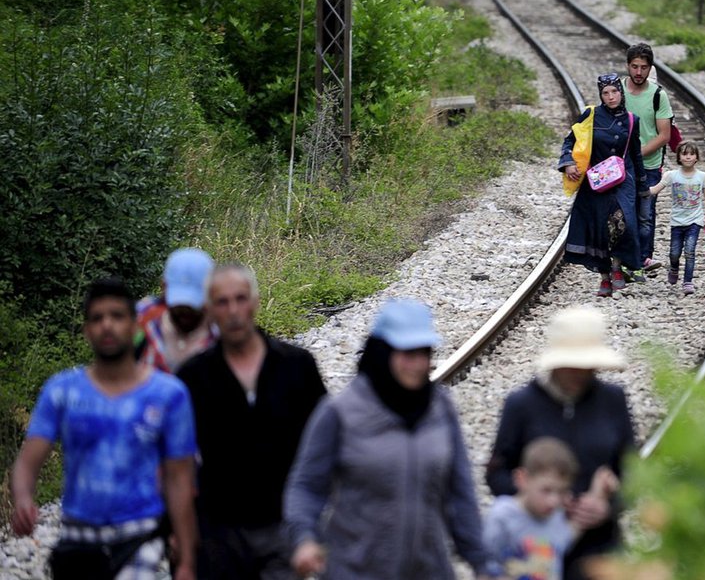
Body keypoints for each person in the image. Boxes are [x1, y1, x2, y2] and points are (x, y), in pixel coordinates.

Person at [284, 299, 490, 579]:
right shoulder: (340, 413)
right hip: (355, 571)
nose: (418, 364)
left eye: (424, 353)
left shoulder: (440, 409)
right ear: (382, 352)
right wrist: (305, 538)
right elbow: (307, 487)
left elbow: (460, 493)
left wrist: (482, 561)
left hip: (428, 571)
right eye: (407, 353)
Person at [11, 277, 198, 580]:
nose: (107, 325)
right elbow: (28, 460)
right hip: (77, 536)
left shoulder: (168, 395)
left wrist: (187, 557)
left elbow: (179, 478)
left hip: (139, 536)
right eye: (97, 318)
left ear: (136, 326)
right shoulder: (63, 392)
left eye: (117, 316)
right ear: (86, 330)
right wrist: (23, 498)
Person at [176, 264, 327, 579]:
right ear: (209, 310)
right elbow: (177, 464)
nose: (233, 311)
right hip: (219, 533)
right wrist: (179, 536)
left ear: (255, 302)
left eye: (240, 299)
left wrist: (319, 523)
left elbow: (325, 444)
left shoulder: (296, 366)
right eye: (222, 302)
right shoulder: (193, 377)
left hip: (283, 525)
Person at [486, 306, 635, 580]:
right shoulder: (522, 405)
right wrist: (540, 498)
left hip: (599, 549)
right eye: (572, 365)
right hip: (533, 551)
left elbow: (632, 471)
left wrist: (608, 505)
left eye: (587, 365)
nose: (580, 372)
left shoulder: (612, 400)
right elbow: (497, 474)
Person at [558, 73, 645, 297]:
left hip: (623, 180)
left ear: (621, 92)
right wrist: (568, 163)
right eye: (605, 93)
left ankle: (617, 267)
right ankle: (605, 276)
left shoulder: (632, 120)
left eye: (614, 92)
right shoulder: (590, 115)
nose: (611, 97)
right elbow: (570, 140)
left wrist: (643, 185)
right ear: (601, 95)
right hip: (595, 180)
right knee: (598, 228)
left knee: (621, 221)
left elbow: (636, 154)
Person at [483, 437, 619, 580]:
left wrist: (598, 493)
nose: (553, 501)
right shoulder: (503, 516)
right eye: (546, 490)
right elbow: (484, 562)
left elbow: (577, 525)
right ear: (522, 479)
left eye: (561, 492)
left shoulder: (555, 519)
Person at [624, 43, 674, 277]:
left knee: (645, 214)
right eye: (634, 66)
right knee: (623, 212)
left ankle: (644, 258)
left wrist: (637, 153)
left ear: (650, 68)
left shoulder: (658, 95)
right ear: (628, 66)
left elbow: (665, 135)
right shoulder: (617, 91)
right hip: (621, 165)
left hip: (649, 165)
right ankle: (625, 258)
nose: (639, 72)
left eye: (644, 67)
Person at [650, 141, 705, 294]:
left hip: (695, 220)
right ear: (679, 157)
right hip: (677, 221)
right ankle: (674, 268)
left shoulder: (702, 177)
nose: (688, 157)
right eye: (684, 154)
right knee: (674, 252)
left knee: (690, 251)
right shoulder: (671, 175)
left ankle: (688, 281)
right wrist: (639, 189)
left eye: (691, 154)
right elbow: (655, 189)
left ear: (696, 157)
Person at [136, 247, 217, 373]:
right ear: (164, 288)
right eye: (178, 302)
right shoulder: (143, 317)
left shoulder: (222, 333)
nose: (185, 310)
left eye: (194, 303)